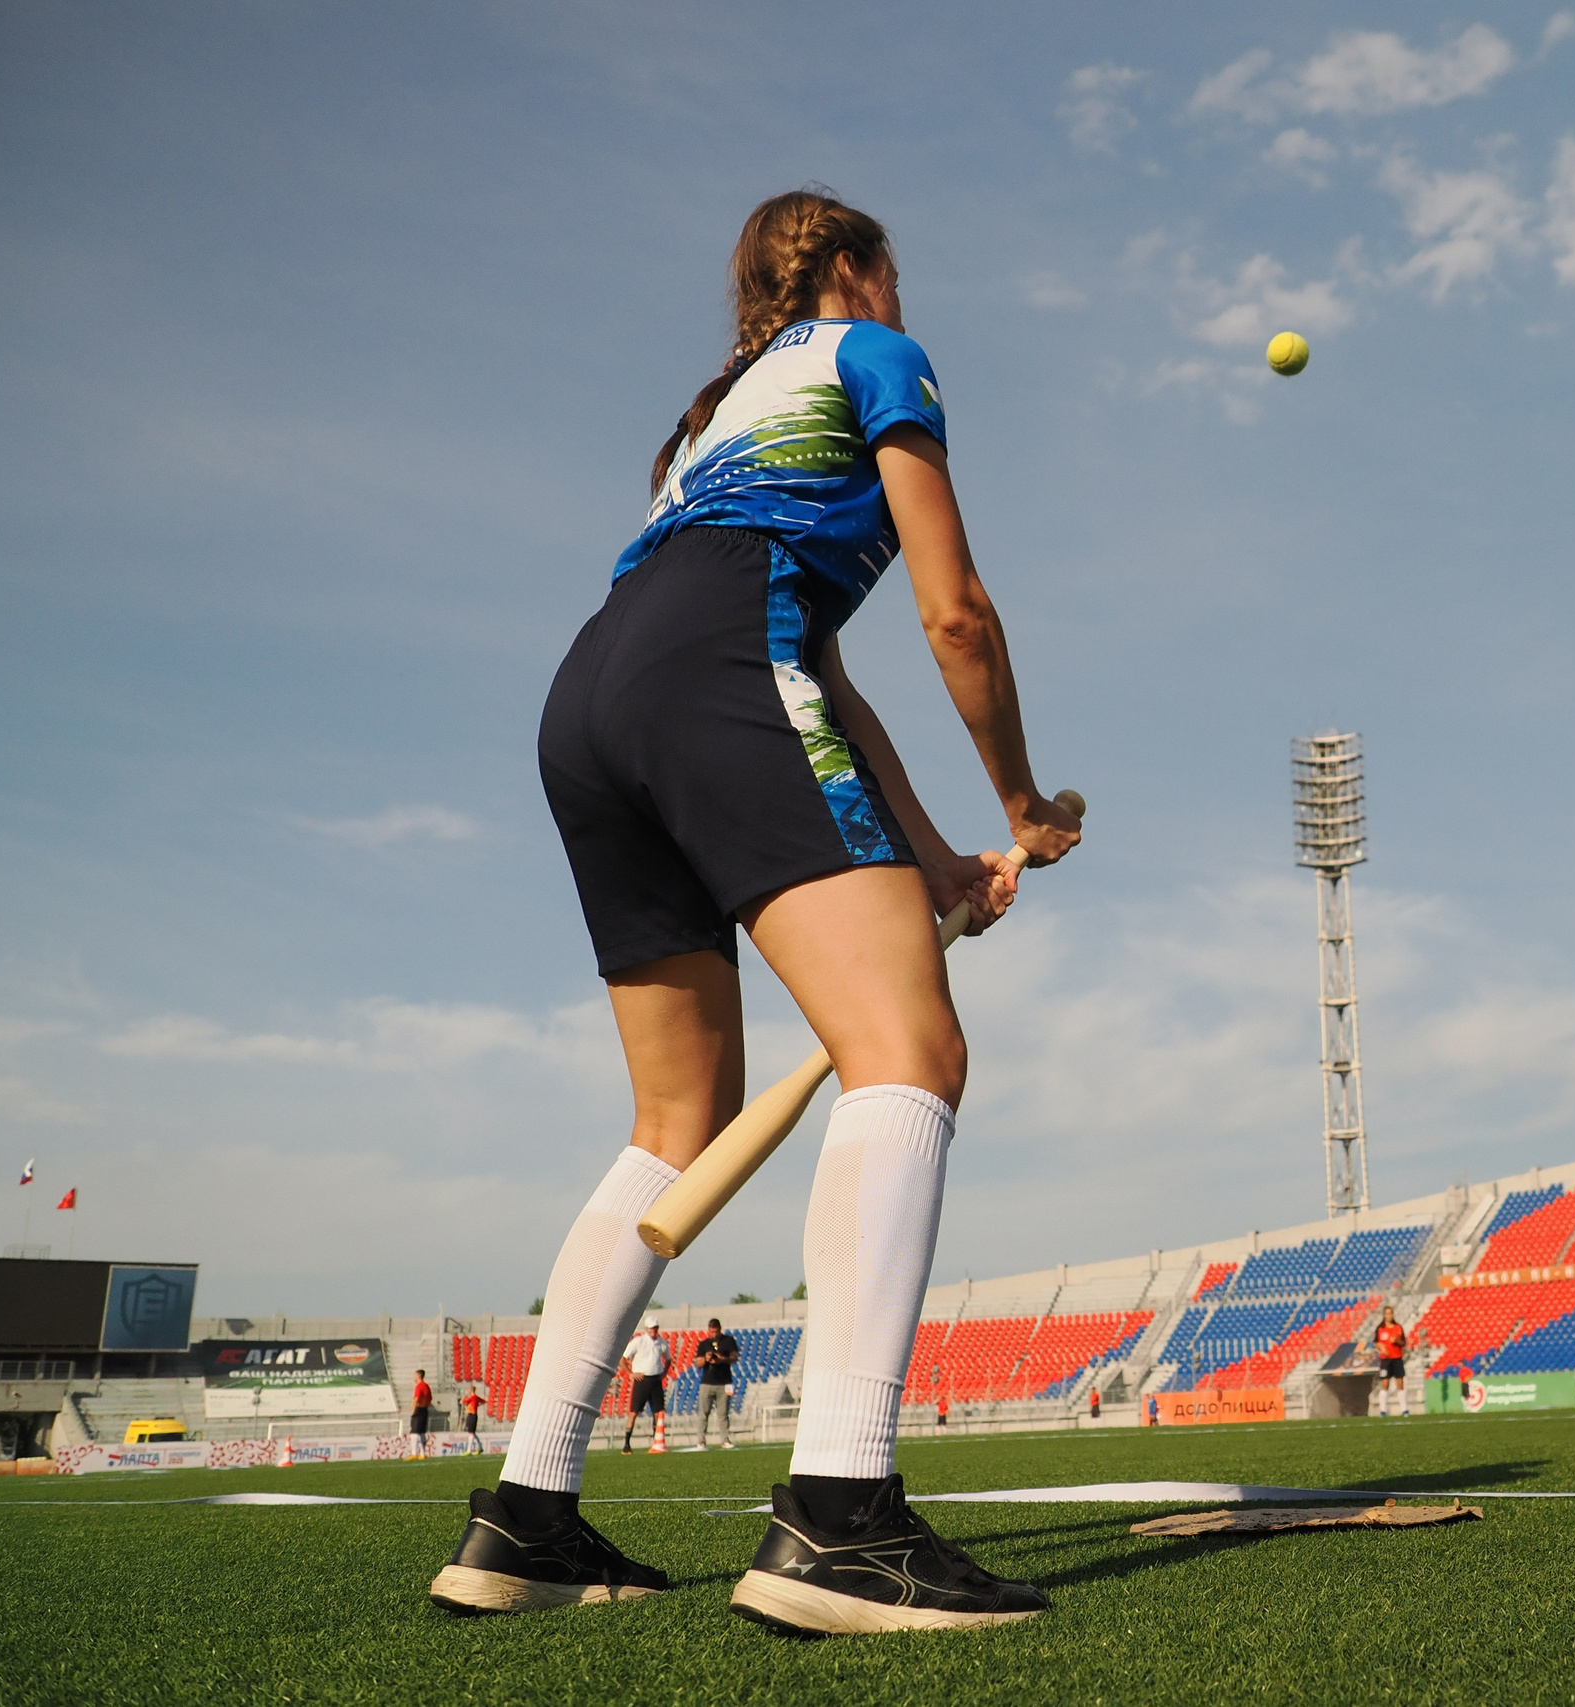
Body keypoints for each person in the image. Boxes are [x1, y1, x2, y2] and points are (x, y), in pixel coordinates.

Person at [426, 186, 1079, 1631]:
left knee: (676, 1123)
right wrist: (1025, 799)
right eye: (894, 271)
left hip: (594, 702)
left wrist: (942, 860)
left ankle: (524, 1511)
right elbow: (953, 611)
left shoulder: (706, 432)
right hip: (721, 683)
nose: (905, 295)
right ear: (851, 271)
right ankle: (842, 1514)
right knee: (908, 1049)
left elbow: (821, 685)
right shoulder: (872, 357)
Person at [620, 1318, 673, 1454]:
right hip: (642, 1380)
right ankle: (626, 1444)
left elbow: (668, 1359)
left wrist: (664, 1373)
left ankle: (657, 1442)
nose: (653, 1331)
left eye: (655, 1328)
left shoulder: (661, 1343)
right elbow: (623, 1358)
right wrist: (630, 1373)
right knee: (634, 1412)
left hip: (656, 1380)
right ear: (646, 1329)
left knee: (658, 1412)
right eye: (651, 1328)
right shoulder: (638, 1341)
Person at [695, 1318, 740, 1450]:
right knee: (703, 1413)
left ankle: (725, 1440)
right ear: (708, 1331)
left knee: (723, 1414)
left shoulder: (728, 1341)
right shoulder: (703, 1345)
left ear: (720, 1330)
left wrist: (721, 1359)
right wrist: (706, 1358)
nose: (714, 1334)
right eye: (711, 1332)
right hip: (707, 1382)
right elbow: (698, 1363)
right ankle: (700, 1441)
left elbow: (734, 1358)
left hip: (724, 1382)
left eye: (716, 1331)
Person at [1371, 1306, 1409, 1418]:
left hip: (1397, 1358)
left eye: (1390, 1313)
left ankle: (1404, 1410)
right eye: (1387, 1313)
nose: (1389, 1315)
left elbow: (1403, 1343)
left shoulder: (1398, 1328)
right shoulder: (1380, 1329)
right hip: (1385, 1360)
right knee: (1385, 1384)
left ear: (1393, 1314)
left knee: (1400, 1384)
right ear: (1384, 1315)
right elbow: (1375, 1342)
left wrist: (1396, 1340)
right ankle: (1383, 1411)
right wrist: (1380, 1347)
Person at [410, 1369, 433, 1457]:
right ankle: (422, 1453)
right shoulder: (426, 1386)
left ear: (418, 1376)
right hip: (424, 1410)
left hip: (418, 1410)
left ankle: (414, 1453)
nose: (413, 1377)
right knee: (421, 1432)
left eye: (415, 1375)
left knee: (414, 1432)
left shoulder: (419, 1386)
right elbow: (430, 1398)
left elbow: (416, 1399)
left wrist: (413, 1410)